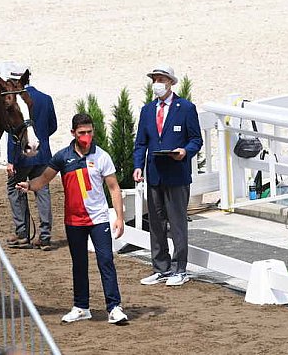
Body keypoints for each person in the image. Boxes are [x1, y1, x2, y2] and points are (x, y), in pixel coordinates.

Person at [17, 113, 128, 325]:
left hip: (98, 220)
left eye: (89, 132)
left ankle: (114, 307)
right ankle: (81, 307)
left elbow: (114, 188)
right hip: (74, 221)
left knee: (106, 261)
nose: (86, 136)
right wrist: (29, 186)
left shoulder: (102, 156)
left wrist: (119, 218)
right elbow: (44, 178)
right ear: (73, 133)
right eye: (81, 133)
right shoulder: (62, 157)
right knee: (79, 264)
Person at [133, 65, 203, 287]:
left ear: (171, 82)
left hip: (177, 174)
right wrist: (137, 166)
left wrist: (185, 151)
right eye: (155, 79)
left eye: (161, 79)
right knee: (156, 222)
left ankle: (179, 268)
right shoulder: (147, 110)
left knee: (177, 223)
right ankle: (160, 267)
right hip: (154, 174)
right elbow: (141, 142)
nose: (157, 83)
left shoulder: (186, 108)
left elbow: (195, 139)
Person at [6, 83, 57, 251]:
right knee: (43, 191)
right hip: (42, 152)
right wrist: (40, 137)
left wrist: (11, 159)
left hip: (22, 155)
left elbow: (14, 131)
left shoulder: (13, 99)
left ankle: (22, 234)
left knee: (15, 189)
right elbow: (53, 126)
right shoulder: (46, 98)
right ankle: (45, 236)